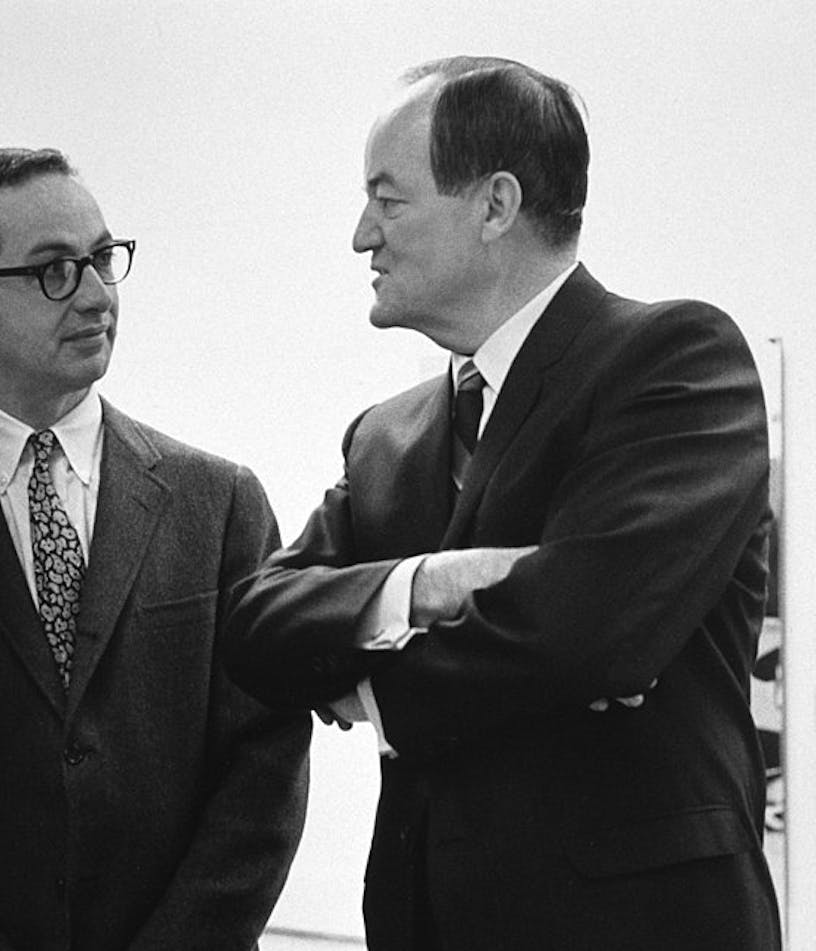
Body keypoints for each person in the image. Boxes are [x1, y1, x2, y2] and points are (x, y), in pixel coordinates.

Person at [223, 57, 781, 951]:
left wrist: (356, 675)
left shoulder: (674, 360)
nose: (361, 234)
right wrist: (425, 585)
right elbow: (253, 627)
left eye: (389, 199)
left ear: (494, 205)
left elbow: (584, 634)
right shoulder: (383, 437)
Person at [0, 148, 311, 951]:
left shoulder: (218, 502)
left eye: (102, 260)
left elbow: (265, 767)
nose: (94, 294)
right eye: (52, 270)